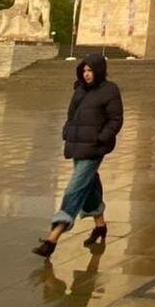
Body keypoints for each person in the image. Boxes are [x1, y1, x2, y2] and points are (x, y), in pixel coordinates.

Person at [33, 54, 123, 257]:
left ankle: (53, 236)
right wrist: (67, 130)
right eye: (84, 71)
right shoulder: (79, 90)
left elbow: (115, 119)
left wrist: (101, 138)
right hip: (76, 145)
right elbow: (71, 115)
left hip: (94, 147)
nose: (87, 74)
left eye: (90, 71)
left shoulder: (110, 90)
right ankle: (100, 226)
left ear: (99, 71)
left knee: (75, 187)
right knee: (88, 185)